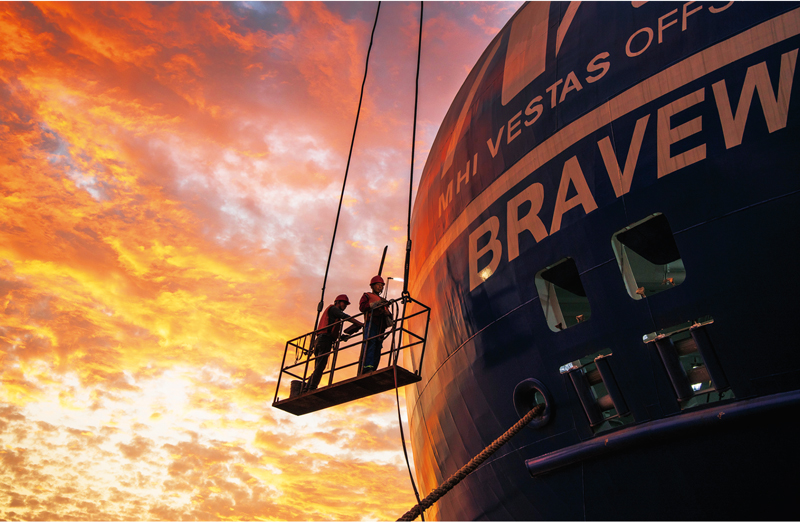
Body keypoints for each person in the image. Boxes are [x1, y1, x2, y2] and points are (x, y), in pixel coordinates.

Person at [307, 294, 362, 391]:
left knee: (319, 366)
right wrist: (359, 323)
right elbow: (345, 316)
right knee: (320, 366)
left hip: (321, 340)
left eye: (346, 304)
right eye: (344, 303)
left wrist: (341, 336)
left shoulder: (333, 315)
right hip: (324, 340)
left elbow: (332, 329)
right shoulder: (334, 309)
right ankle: (311, 387)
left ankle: (306, 387)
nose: (345, 306)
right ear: (337, 302)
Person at [359, 276, 392, 372]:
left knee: (378, 346)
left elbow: (389, 316)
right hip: (371, 323)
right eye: (378, 285)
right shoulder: (367, 296)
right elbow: (362, 307)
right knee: (370, 343)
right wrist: (377, 304)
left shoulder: (383, 301)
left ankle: (373, 368)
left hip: (380, 326)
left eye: (381, 286)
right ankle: (367, 367)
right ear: (372, 286)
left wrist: (387, 313)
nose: (380, 287)